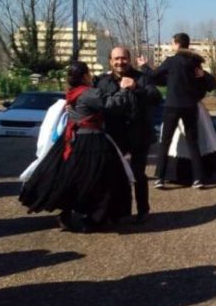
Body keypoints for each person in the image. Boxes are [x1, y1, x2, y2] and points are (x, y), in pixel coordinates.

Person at [19, 62, 136, 232]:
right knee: (101, 179)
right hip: (91, 139)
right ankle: (93, 219)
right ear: (84, 76)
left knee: (70, 178)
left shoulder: (73, 92)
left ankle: (68, 213)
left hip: (73, 139)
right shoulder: (88, 93)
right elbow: (110, 105)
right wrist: (125, 89)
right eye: (89, 73)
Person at [95, 46, 162, 223]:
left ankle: (143, 210)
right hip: (114, 135)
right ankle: (117, 212)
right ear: (110, 61)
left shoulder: (141, 78)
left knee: (138, 174)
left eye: (123, 58)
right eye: (116, 59)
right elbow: (93, 101)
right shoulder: (102, 81)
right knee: (114, 176)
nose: (120, 62)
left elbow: (156, 97)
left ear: (129, 59)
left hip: (139, 134)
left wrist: (137, 88)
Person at [148, 33, 216, 189]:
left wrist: (144, 66)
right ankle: (198, 178)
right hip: (190, 107)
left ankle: (159, 177)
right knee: (193, 143)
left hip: (172, 106)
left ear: (176, 44)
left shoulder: (171, 61)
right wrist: (204, 75)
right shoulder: (195, 63)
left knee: (165, 142)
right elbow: (211, 84)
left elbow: (153, 75)